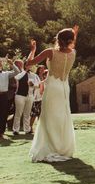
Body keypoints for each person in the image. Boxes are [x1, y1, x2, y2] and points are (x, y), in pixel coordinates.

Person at [26, 27, 79, 162]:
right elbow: (71, 46)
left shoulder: (50, 52)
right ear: (70, 40)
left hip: (52, 87)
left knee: (48, 118)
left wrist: (32, 50)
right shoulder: (73, 53)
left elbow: (28, 64)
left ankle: (50, 148)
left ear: (58, 39)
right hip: (64, 88)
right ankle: (62, 148)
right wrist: (75, 34)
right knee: (63, 117)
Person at [12, 60, 41, 135]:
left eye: (30, 65)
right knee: (18, 113)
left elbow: (38, 85)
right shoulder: (21, 73)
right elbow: (16, 78)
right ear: (25, 66)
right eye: (28, 65)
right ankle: (16, 130)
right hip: (20, 95)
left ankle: (27, 129)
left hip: (30, 96)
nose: (29, 66)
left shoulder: (34, 75)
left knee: (27, 114)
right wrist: (25, 71)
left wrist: (33, 84)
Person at [0, 56, 20, 139]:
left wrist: (12, 64)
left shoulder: (6, 73)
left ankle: (1, 132)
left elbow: (17, 71)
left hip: (4, 96)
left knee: (3, 114)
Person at [30, 66, 47, 131]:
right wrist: (40, 85)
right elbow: (33, 84)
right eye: (41, 69)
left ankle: (40, 128)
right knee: (34, 113)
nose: (43, 70)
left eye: (43, 69)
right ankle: (30, 127)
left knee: (41, 113)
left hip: (43, 97)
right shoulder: (35, 76)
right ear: (38, 70)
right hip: (36, 97)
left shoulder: (45, 77)